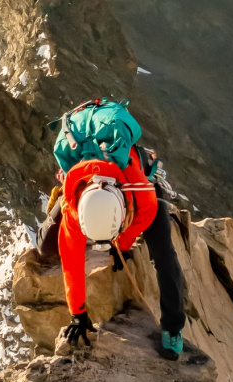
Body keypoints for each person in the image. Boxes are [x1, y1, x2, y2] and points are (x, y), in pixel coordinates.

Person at [36, 99, 187, 360]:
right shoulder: (73, 205)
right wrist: (78, 312)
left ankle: (173, 328)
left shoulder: (141, 194)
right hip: (84, 177)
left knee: (165, 257)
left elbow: (140, 221)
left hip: (133, 177)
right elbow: (71, 261)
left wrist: (123, 244)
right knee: (45, 246)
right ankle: (57, 200)